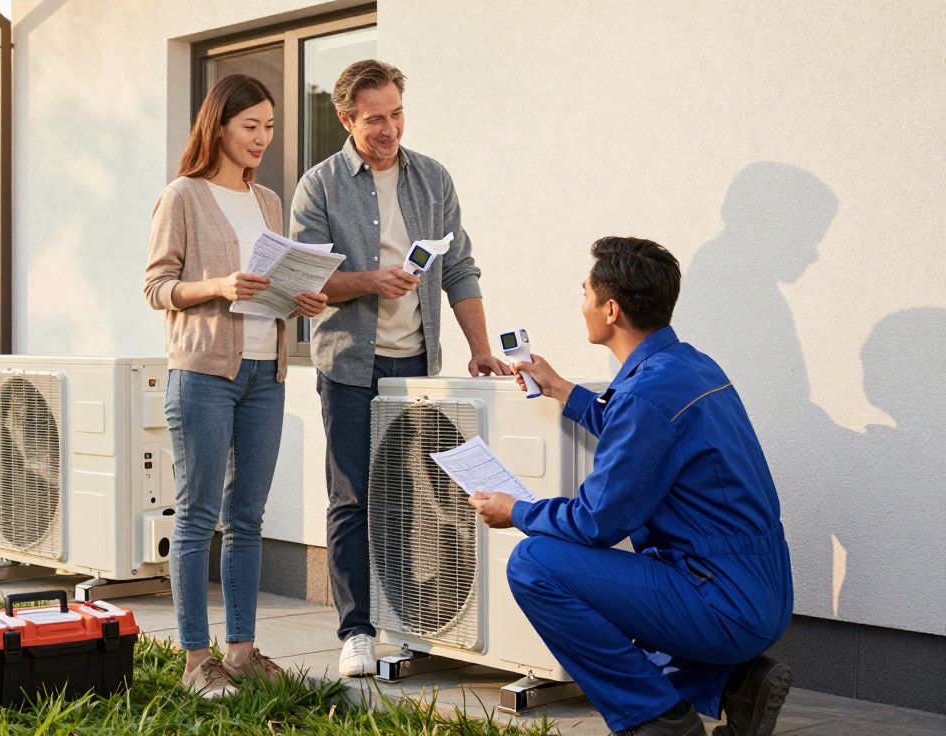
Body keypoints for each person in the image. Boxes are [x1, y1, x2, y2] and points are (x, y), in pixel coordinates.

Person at [469, 236, 794, 736]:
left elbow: (596, 521)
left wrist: (517, 511)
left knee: (536, 566)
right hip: (761, 593)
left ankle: (659, 719)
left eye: (585, 295)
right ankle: (737, 683)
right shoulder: (690, 366)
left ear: (612, 310)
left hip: (724, 604)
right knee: (626, 577)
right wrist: (564, 391)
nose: (582, 307)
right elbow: (644, 433)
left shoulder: (646, 395)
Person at [289, 59, 508, 677]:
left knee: (417, 494)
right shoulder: (321, 186)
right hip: (351, 365)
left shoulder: (433, 179)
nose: (390, 129)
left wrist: (480, 346)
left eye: (397, 114)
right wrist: (368, 282)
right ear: (347, 119)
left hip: (418, 363)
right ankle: (357, 629)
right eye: (375, 119)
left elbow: (459, 267)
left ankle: (414, 617)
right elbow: (307, 280)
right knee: (354, 495)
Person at [143, 74, 328, 698]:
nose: (262, 139)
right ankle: (197, 660)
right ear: (218, 126)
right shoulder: (184, 196)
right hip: (201, 374)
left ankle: (242, 652)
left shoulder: (269, 201)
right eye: (251, 127)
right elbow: (157, 288)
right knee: (199, 516)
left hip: (265, 374)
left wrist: (300, 296)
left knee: (248, 516)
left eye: (270, 127)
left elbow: (269, 284)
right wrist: (219, 286)